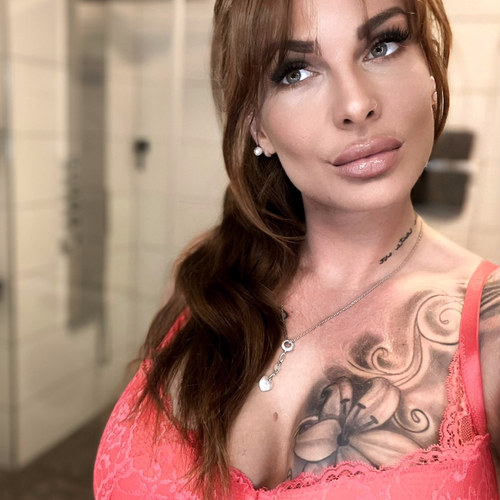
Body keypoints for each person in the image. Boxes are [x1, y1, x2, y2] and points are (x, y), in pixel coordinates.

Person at [94, 0, 500, 498]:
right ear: (258, 126)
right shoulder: (206, 274)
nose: (356, 105)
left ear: (431, 68)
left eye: (383, 45)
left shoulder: (489, 330)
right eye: (295, 72)